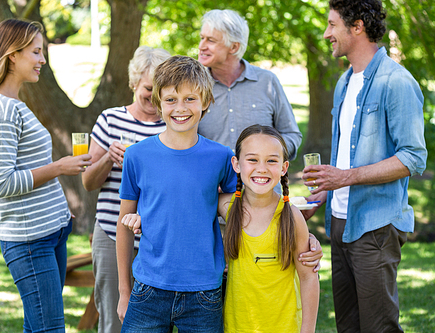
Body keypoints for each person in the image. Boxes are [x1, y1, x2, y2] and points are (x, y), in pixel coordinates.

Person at [116, 56, 322, 331]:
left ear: (206, 102)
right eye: (171, 100)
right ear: (158, 103)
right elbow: (124, 225)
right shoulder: (137, 156)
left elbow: (246, 206)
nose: (180, 108)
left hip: (205, 293)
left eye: (190, 99)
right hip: (149, 288)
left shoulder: (222, 157)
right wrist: (124, 291)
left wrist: (303, 237)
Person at [302, 1, 427, 332]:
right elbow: (351, 153)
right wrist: (325, 193)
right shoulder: (345, 82)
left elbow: (413, 157)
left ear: (356, 26)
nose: (326, 33)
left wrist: (345, 177)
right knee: (349, 325)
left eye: (332, 25)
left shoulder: (396, 82)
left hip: (376, 227)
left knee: (378, 327)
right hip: (341, 222)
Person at [0, 19, 92, 332]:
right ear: (13, 55)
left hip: (52, 231)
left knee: (37, 326)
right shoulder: (1, 109)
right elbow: (2, 183)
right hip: (29, 240)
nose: (42, 60)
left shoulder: (14, 103)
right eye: (36, 52)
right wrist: (58, 167)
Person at [82, 45, 170, 333]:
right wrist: (109, 156)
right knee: (113, 317)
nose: (153, 97)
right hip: (110, 232)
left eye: (161, 89)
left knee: (155, 321)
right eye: (148, 88)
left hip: (158, 238)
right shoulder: (110, 119)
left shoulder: (174, 125)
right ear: (134, 82)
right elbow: (88, 182)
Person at [219, 124, 319, 333]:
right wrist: (141, 216)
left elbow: (309, 278)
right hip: (237, 327)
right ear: (236, 164)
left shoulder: (291, 216)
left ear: (284, 168)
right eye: (252, 159)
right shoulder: (227, 206)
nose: (262, 168)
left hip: (284, 327)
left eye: (271, 161)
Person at [197, 9, 302, 160]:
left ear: (234, 47)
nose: (201, 46)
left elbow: (291, 134)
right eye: (202, 38)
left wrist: (268, 155)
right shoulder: (195, 86)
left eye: (210, 40)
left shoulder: (267, 81)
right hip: (215, 184)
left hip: (263, 182)